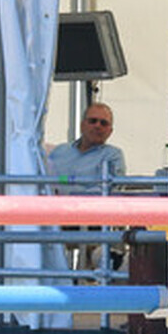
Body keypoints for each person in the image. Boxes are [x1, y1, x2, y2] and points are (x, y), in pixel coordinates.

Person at [46, 102, 127, 272]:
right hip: (55, 215)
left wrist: (70, 195)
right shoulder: (59, 152)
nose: (98, 126)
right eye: (93, 121)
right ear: (82, 124)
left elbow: (111, 190)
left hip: (92, 217)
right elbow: (46, 180)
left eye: (103, 123)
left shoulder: (112, 155)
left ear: (110, 131)